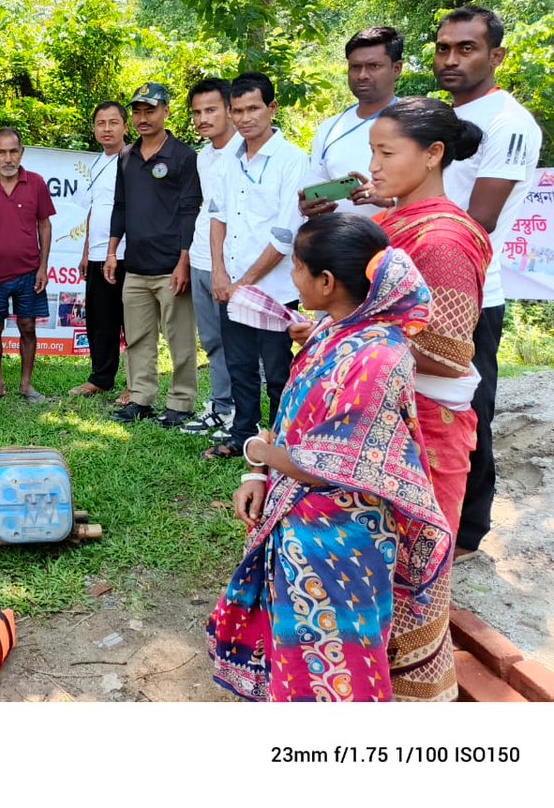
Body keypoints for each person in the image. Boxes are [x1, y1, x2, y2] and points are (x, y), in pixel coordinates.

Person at [208, 214, 455, 702]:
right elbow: (294, 415)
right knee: (302, 657)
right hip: (301, 526)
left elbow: (325, 466)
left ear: (325, 281)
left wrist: (257, 451)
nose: (292, 278)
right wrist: (255, 472)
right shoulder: (333, 332)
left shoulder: (376, 358)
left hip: (339, 540)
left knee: (340, 666)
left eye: (297, 268)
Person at [433, 7, 541, 558]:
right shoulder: (444, 121)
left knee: (469, 409)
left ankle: (468, 532)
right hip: (426, 287)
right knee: (426, 406)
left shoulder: (510, 123)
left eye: (466, 48)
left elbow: (479, 219)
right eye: (444, 47)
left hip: (473, 294)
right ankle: (431, 515)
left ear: (496, 55)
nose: (451, 59)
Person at [367, 97, 492, 544]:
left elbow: (448, 356)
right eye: (372, 152)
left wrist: (345, 338)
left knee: (412, 565)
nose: (374, 166)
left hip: (423, 427)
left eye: (387, 153)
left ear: (433, 153)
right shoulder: (393, 220)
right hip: (384, 414)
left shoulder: (442, 240)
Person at [204, 73, 308, 458]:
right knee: (240, 367)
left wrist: (244, 282)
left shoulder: (293, 160)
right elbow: (217, 217)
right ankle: (242, 435)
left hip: (274, 289)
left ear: (272, 108)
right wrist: (218, 272)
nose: (246, 117)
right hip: (231, 286)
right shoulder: (227, 162)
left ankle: (281, 443)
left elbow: (285, 233)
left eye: (254, 108)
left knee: (279, 372)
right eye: (238, 110)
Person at [104, 83, 201, 425]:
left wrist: (184, 260)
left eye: (150, 110)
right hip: (136, 266)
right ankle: (140, 398)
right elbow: (120, 206)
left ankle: (181, 403)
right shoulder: (127, 157)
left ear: (166, 111)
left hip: (172, 266)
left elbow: (191, 210)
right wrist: (113, 251)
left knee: (180, 341)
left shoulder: (184, 156)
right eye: (138, 111)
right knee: (139, 338)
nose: (143, 118)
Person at [0, 128, 56, 403]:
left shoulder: (37, 183)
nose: (8, 158)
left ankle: (26, 385)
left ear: (21, 153)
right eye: (2, 152)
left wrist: (43, 267)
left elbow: (44, 224)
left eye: (13, 151)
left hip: (29, 272)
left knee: (28, 327)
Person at [179, 79, 236, 438]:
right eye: (197, 112)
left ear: (230, 109)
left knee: (237, 344)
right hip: (201, 256)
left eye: (211, 109)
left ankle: (240, 414)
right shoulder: (204, 156)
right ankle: (220, 406)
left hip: (230, 264)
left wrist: (223, 268)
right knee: (213, 340)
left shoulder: (244, 153)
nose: (202, 119)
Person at [299, 26, 402, 218]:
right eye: (355, 67)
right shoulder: (329, 128)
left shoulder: (415, 121)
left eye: (374, 66)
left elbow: (439, 193)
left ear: (396, 69)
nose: (362, 75)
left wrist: (390, 200)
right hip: (341, 242)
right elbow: (313, 188)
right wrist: (307, 207)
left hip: (400, 242)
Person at [69, 101, 132, 403]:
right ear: (94, 129)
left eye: (113, 122)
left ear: (125, 126)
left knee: (132, 323)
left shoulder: (134, 160)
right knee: (100, 322)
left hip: (126, 255)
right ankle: (101, 378)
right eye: (100, 123)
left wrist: (115, 250)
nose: (107, 129)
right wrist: (85, 252)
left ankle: (135, 383)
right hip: (96, 255)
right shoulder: (96, 163)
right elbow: (94, 210)